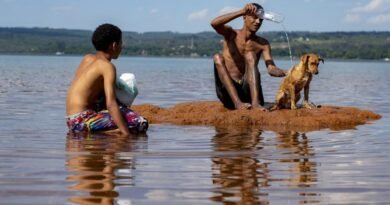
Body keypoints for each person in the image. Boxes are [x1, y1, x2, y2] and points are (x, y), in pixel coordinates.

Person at [66, 23, 148, 136]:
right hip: (82, 121)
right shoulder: (107, 67)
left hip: (71, 120)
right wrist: (126, 134)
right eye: (121, 43)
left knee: (119, 111)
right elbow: (111, 103)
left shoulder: (87, 59)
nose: (121, 46)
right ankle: (99, 134)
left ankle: (96, 132)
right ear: (114, 45)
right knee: (139, 123)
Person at [211, 3, 287, 111]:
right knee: (217, 57)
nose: (257, 22)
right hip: (228, 94)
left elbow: (271, 69)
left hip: (249, 92)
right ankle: (238, 103)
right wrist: (241, 11)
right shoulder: (231, 34)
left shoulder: (263, 44)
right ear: (245, 17)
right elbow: (214, 24)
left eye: (260, 20)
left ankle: (255, 104)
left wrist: (288, 72)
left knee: (250, 54)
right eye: (254, 17)